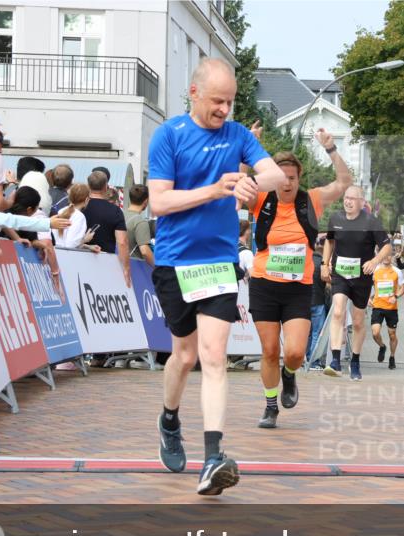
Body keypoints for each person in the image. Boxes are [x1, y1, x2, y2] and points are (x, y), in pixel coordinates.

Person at [147, 57, 284, 495]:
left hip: (219, 263)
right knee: (184, 356)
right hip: (175, 261)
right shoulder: (169, 135)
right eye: (217, 101)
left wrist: (250, 181)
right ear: (194, 93)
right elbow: (159, 203)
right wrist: (215, 190)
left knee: (213, 356)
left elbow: (276, 174)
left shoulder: (238, 135)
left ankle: (212, 458)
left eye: (230, 101)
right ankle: (170, 420)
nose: (225, 109)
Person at [248, 132, 352, 428]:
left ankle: (290, 374)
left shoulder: (312, 200)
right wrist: (247, 151)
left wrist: (331, 148)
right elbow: (236, 186)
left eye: (292, 178)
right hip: (264, 285)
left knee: (294, 352)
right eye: (281, 177)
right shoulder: (261, 199)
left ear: (299, 177)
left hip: (297, 288)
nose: (287, 183)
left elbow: (344, 182)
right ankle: (270, 406)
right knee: (270, 351)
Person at [321, 185, 391, 381]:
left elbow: (386, 246)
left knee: (358, 321)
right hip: (340, 274)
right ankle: (335, 360)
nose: (348, 201)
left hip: (362, 277)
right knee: (338, 311)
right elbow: (329, 241)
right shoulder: (336, 219)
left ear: (362, 202)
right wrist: (325, 264)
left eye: (353, 198)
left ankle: (355, 361)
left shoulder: (371, 221)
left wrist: (374, 261)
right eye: (346, 197)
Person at [82, 170, 131, 286]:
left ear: (89, 186)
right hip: (106, 263)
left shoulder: (80, 207)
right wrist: (126, 268)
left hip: (78, 260)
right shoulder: (115, 211)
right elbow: (122, 242)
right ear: (106, 187)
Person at [369, 253, 404, 369]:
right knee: (375, 333)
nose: (386, 258)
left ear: (392, 257)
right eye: (384, 255)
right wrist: (367, 298)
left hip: (391, 307)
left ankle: (392, 357)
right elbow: (367, 285)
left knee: (392, 334)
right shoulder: (374, 270)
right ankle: (382, 346)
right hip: (377, 306)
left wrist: (396, 296)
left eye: (389, 255)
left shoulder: (397, 271)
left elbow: (402, 288)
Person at [307, 234, 329, 371]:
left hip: (304, 302)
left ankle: (306, 358)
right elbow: (328, 283)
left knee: (308, 333)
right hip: (318, 301)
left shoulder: (307, 261)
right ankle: (313, 361)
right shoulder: (323, 264)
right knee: (317, 333)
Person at [125, 184, 154, 265]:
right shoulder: (140, 222)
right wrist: (158, 267)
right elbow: (145, 251)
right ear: (146, 201)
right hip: (134, 266)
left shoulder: (119, 215)